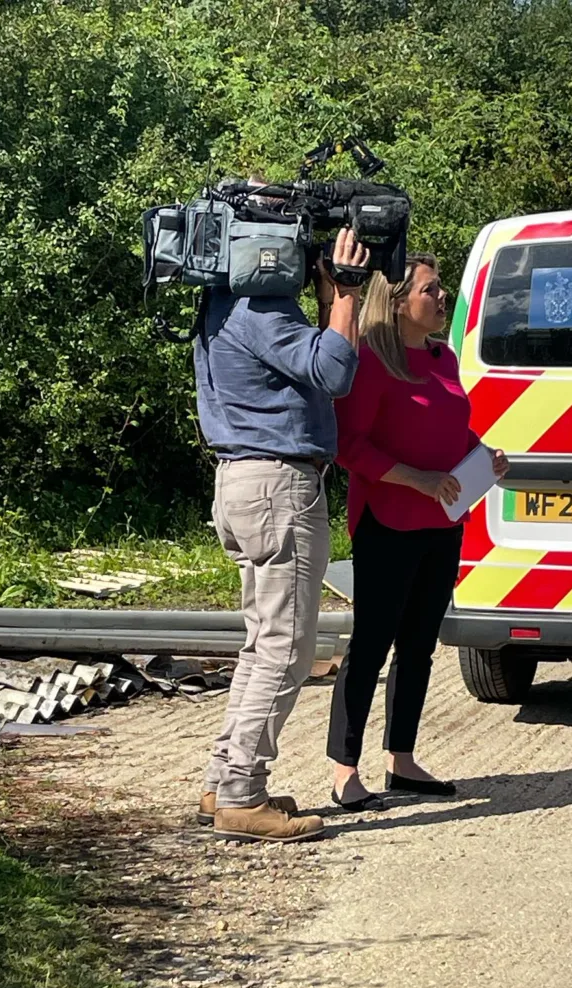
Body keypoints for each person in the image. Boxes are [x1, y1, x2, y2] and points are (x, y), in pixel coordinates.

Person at [196, 226, 370, 844]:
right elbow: (334, 369)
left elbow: (314, 360)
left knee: (262, 642)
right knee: (285, 648)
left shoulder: (221, 304)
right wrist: (347, 290)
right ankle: (244, 793)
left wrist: (328, 301)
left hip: (247, 482)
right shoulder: (261, 309)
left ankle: (224, 781)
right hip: (277, 486)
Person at [326, 254, 509, 811]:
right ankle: (344, 768)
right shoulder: (370, 363)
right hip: (388, 520)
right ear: (399, 300)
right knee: (372, 645)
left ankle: (401, 760)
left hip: (442, 520)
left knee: (420, 646)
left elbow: (449, 424)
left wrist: (480, 455)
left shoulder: (443, 358)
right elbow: (349, 447)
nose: (442, 298)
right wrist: (419, 480)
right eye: (432, 290)